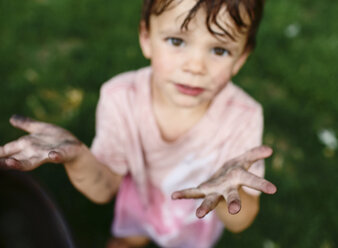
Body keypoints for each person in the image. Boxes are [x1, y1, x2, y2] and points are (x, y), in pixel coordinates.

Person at [0, 0, 277, 247]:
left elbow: (241, 222)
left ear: (240, 58)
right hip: (140, 207)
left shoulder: (243, 116)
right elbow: (105, 189)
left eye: (219, 50)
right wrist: (76, 157)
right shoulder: (120, 97)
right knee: (126, 241)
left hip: (195, 221)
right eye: (177, 41)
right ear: (146, 37)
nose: (195, 66)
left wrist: (228, 192)